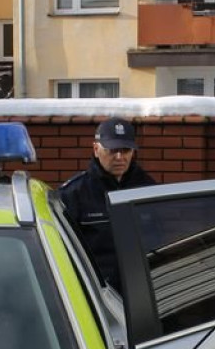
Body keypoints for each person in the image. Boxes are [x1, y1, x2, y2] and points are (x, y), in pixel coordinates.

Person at [59, 117, 155, 291]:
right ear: (96, 149)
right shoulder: (74, 193)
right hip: (94, 293)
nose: (119, 157)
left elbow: (158, 241)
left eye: (125, 150)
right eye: (112, 150)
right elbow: (62, 251)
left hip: (140, 291)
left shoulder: (148, 189)